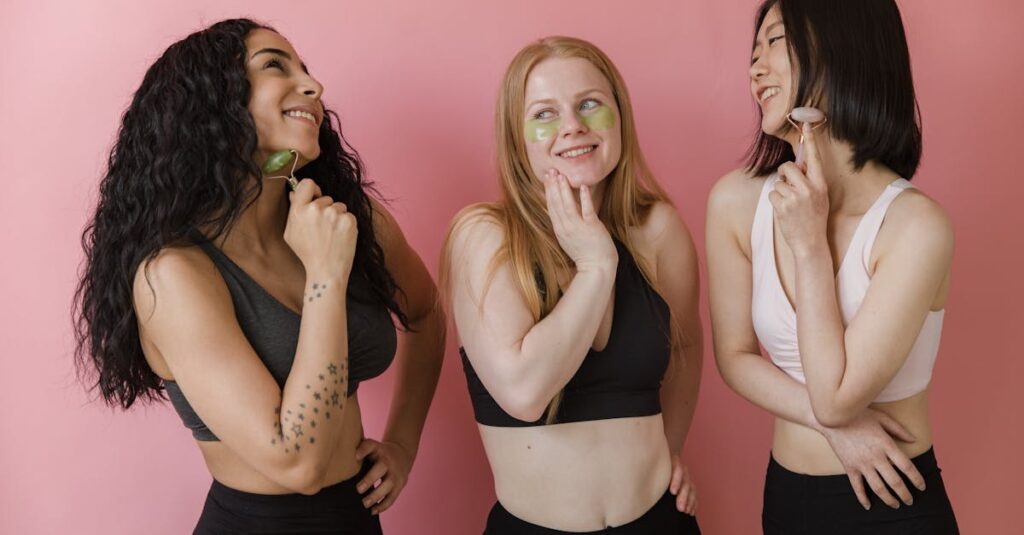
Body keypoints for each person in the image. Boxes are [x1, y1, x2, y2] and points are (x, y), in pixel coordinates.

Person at [73, 18, 444, 533]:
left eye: (308, 71)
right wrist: (324, 279)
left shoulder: (347, 221)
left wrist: (402, 443)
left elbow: (425, 310)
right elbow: (300, 464)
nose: (315, 87)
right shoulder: (173, 274)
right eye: (275, 65)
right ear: (211, 102)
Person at [705, 1, 959, 532]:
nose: (755, 68)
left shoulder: (916, 226)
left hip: (896, 507)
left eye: (775, 42)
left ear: (842, 47)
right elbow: (733, 357)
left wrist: (809, 246)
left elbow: (837, 398)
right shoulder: (734, 201)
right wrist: (840, 433)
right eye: (753, 51)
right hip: (789, 501)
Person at [442, 36, 702, 534]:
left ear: (619, 116)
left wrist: (669, 451)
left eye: (590, 105)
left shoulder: (658, 229)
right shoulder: (483, 235)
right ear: (517, 139)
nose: (573, 127)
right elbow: (525, 392)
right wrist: (597, 266)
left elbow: (687, 348)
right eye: (544, 113)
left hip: (660, 522)